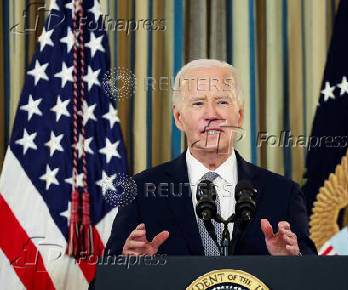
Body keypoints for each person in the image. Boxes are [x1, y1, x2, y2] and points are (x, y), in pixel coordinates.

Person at [106, 59, 317, 256]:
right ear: (179, 118)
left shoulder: (283, 194)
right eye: (198, 103)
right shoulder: (141, 192)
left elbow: (317, 280)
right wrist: (129, 267)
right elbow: (102, 284)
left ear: (240, 116)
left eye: (223, 102)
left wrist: (291, 263)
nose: (211, 114)